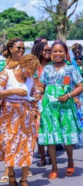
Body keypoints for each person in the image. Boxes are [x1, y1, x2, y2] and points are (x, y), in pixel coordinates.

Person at [37, 40, 83, 180]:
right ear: (51, 54)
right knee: (51, 137)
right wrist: (37, 92)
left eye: (60, 51)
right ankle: (54, 167)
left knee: (66, 136)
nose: (57, 54)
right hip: (49, 107)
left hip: (65, 106)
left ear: (65, 53)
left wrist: (69, 96)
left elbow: (80, 86)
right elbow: (41, 86)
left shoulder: (70, 69)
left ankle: (70, 160)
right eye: (54, 51)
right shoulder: (47, 69)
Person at [0, 54, 41, 186]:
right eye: (31, 69)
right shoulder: (7, 74)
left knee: (27, 145)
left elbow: (35, 93)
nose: (33, 72)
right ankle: (11, 176)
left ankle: (24, 179)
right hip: (9, 115)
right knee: (9, 145)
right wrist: (12, 91)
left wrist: (36, 97)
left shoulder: (30, 80)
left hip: (26, 115)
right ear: (23, 66)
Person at [0, 38, 25, 183]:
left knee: (23, 141)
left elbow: (36, 85)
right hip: (6, 109)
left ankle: (23, 176)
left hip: (24, 109)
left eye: (23, 48)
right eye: (18, 48)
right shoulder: (3, 67)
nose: (21, 51)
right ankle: (9, 173)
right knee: (8, 141)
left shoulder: (26, 66)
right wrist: (12, 91)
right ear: (10, 48)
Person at [31, 41, 52, 167]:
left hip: (51, 100)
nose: (48, 52)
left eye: (49, 50)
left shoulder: (53, 65)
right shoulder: (33, 67)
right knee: (39, 130)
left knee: (50, 128)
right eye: (45, 50)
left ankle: (51, 155)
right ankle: (42, 157)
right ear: (39, 51)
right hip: (37, 100)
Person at [71, 43, 83, 130]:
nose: (78, 54)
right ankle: (77, 129)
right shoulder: (70, 63)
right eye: (75, 53)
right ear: (73, 52)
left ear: (82, 52)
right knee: (76, 109)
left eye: (79, 52)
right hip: (74, 87)